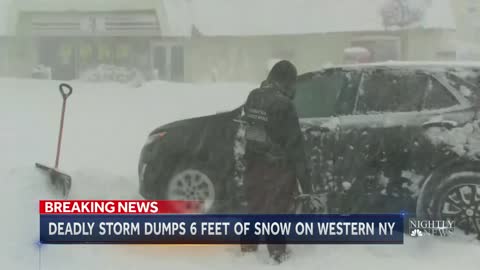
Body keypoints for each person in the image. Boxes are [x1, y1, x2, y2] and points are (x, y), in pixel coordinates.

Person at [239, 60, 313, 264]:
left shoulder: (254, 96)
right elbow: (295, 146)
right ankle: (277, 254)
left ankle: (248, 247)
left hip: (254, 162)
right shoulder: (284, 104)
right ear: (288, 82)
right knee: (276, 209)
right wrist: (306, 183)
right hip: (278, 167)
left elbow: (250, 129)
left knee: (255, 204)